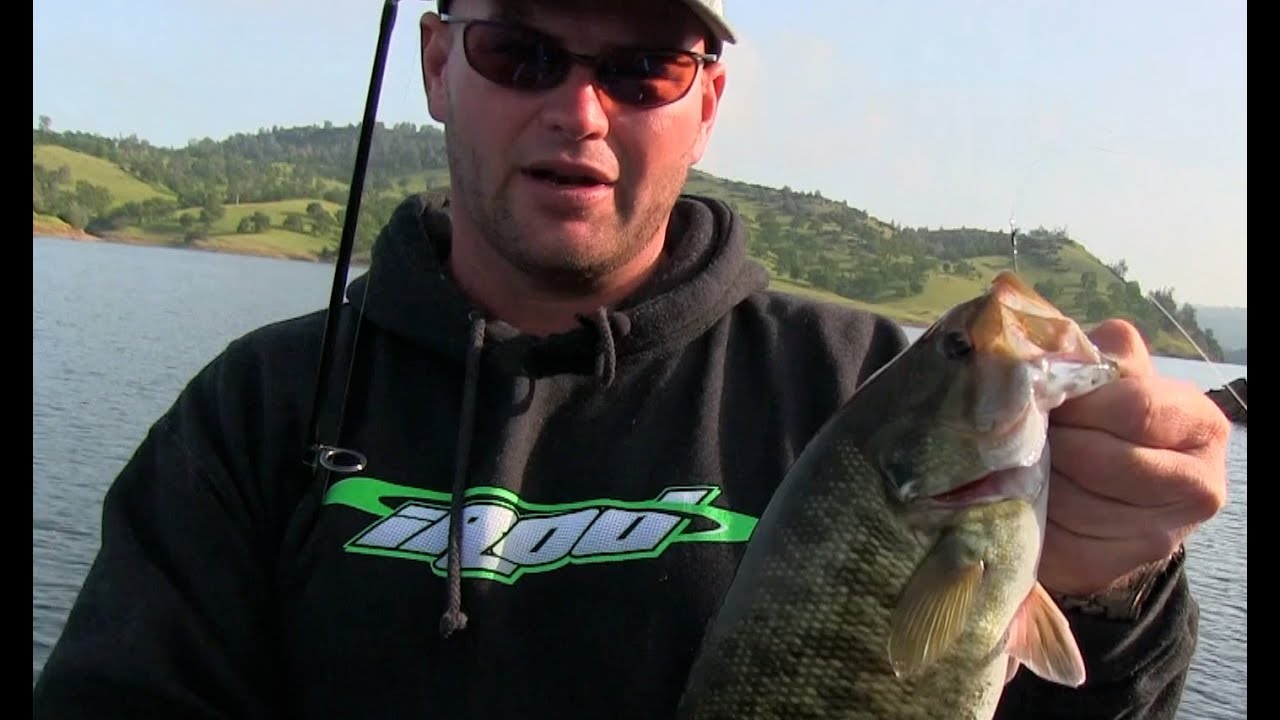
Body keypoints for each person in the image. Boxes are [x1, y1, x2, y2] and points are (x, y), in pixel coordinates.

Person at [32, 0, 1230, 718]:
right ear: (439, 66)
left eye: (642, 67)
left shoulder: (860, 384)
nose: (581, 110)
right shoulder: (258, 410)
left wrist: (1108, 583)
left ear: (705, 101)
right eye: (520, 52)